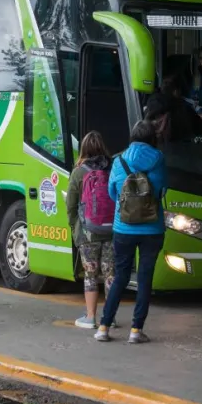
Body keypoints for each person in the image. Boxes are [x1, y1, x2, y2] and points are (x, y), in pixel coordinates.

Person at [95, 121, 167, 344]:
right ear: (152, 138)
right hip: (152, 228)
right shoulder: (159, 158)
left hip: (123, 227)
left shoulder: (119, 160)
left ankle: (104, 327)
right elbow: (163, 189)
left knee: (120, 276)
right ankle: (136, 331)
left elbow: (112, 193)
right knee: (144, 278)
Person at [65, 131, 115, 329]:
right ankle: (110, 317)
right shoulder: (113, 169)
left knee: (91, 274)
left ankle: (90, 317)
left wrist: (74, 227)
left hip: (87, 232)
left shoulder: (79, 172)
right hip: (111, 230)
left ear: (83, 149)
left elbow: (70, 205)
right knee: (111, 274)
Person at [145, 75, 202, 145]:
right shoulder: (181, 109)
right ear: (176, 91)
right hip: (177, 151)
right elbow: (197, 131)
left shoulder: (151, 104)